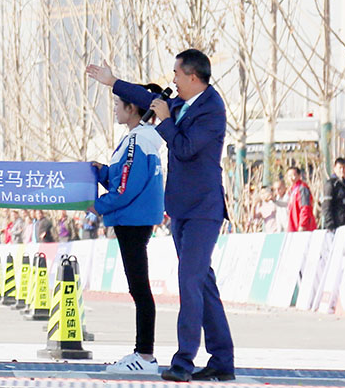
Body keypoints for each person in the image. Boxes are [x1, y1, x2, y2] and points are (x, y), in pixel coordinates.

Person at [87, 50, 235, 382]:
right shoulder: (183, 103)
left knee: (190, 281)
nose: (173, 80)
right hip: (181, 208)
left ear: (193, 77)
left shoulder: (211, 109)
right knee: (202, 282)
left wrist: (166, 120)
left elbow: (184, 148)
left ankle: (184, 361)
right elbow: (150, 99)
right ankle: (222, 359)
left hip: (203, 209)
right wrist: (113, 82)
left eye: (177, 74)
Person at [90, 83, 166, 375]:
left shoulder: (138, 139)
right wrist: (102, 172)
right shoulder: (139, 138)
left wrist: (99, 205)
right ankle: (142, 353)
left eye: (118, 104)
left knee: (140, 289)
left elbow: (126, 187)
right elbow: (123, 177)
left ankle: (144, 355)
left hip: (132, 220)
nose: (114, 109)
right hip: (134, 219)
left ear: (132, 108)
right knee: (139, 288)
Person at [322, 157, 345, 230]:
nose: (342, 170)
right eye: (340, 168)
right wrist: (330, 225)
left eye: (344, 168)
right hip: (335, 225)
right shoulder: (331, 184)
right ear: (335, 168)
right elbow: (326, 206)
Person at [285, 166, 317, 232]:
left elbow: (305, 207)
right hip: (294, 224)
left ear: (299, 176)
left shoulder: (302, 188)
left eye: (294, 175)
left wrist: (302, 224)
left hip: (303, 226)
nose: (291, 178)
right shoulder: (292, 190)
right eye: (289, 176)